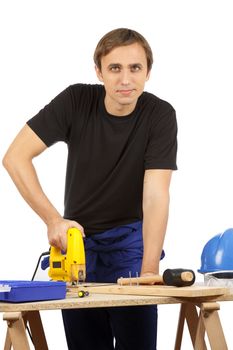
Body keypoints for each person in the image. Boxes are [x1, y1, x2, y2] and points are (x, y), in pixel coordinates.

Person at [2, 28, 177, 350]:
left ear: (148, 72)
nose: (125, 79)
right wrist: (54, 220)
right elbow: (15, 157)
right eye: (115, 68)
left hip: (130, 246)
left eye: (135, 68)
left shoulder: (159, 114)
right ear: (99, 71)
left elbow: (155, 194)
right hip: (78, 247)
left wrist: (149, 269)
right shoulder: (76, 100)